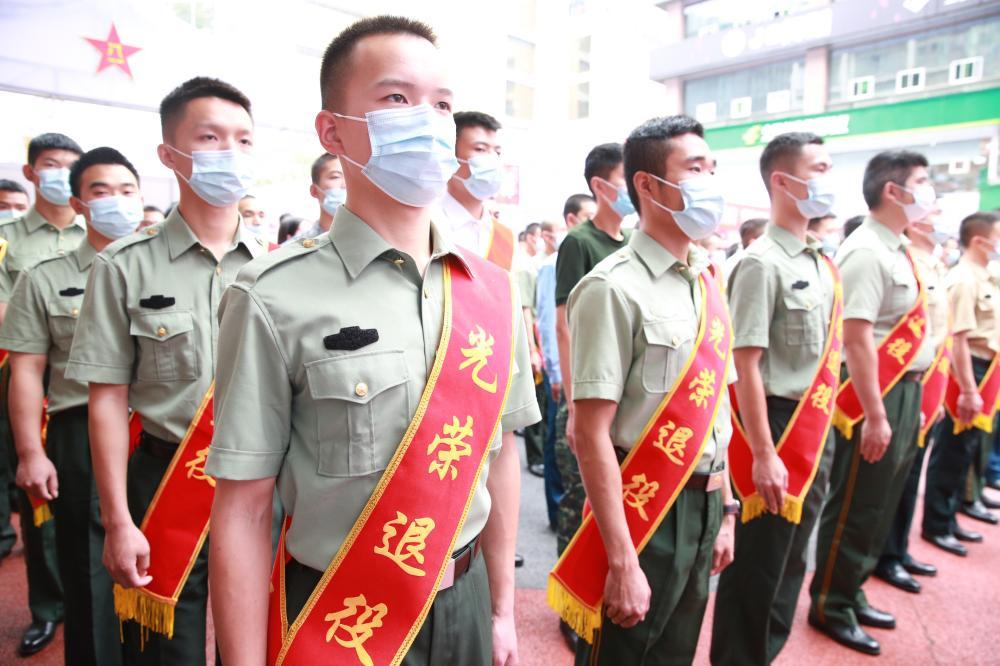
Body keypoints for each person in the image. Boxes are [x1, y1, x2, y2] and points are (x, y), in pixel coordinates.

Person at [205, 16, 539, 666]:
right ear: (332, 131)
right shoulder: (271, 294)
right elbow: (244, 510)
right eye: (397, 99)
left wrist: (502, 613)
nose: (428, 120)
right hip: (341, 616)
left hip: (465, 604)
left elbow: (501, 459)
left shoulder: (492, 289)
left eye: (441, 105)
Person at [65, 77, 263, 665]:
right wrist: (118, 520)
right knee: (161, 650)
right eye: (210, 137)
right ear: (170, 154)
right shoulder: (123, 266)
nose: (230, 153)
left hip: (261, 488)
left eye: (244, 140)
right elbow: (106, 398)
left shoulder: (281, 269)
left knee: (255, 642)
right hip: (164, 476)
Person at [549, 114, 735, 665]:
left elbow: (716, 409)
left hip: (702, 505)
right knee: (625, 653)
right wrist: (623, 559)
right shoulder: (611, 289)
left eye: (711, 167)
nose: (709, 181)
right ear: (649, 185)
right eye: (694, 168)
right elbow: (589, 434)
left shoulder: (706, 279)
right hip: (642, 509)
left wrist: (725, 511)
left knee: (674, 655)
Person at [1, 146, 145, 666]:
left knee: (168, 571)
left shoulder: (168, 270)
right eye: (100, 191)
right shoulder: (43, 277)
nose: (116, 202)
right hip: (79, 433)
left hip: (162, 436)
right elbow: (26, 371)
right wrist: (29, 453)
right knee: (89, 572)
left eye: (127, 191)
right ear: (79, 203)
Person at [712, 132, 839, 666]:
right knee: (759, 567)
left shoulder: (817, 260)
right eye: (819, 168)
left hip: (815, 422)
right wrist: (763, 454)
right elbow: (745, 367)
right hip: (777, 428)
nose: (829, 180)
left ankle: (765, 654)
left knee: (790, 563)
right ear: (783, 181)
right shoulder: (762, 261)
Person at [808, 150, 937, 656]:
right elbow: (857, 337)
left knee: (882, 501)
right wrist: (877, 414)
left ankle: (852, 589)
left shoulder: (899, 247)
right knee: (857, 504)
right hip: (872, 396)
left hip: (904, 387)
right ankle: (830, 604)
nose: (930, 191)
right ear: (893, 190)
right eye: (922, 182)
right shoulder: (866, 250)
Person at [0, 132, 85, 657]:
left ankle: (94, 600)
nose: (59, 174)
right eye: (50, 165)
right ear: (32, 173)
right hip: (23, 381)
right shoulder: (8, 239)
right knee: (40, 506)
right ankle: (48, 607)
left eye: (68, 167)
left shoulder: (98, 234)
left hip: (86, 392)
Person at [553, 144, 631, 649]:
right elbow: (564, 325)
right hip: (588, 390)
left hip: (623, 394)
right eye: (628, 177)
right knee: (578, 504)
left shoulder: (634, 242)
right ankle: (569, 604)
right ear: (602, 186)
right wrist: (575, 402)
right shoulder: (580, 243)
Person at [873, 209, 950, 592]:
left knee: (909, 472)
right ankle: (886, 555)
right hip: (895, 382)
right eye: (934, 211)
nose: (941, 217)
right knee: (891, 481)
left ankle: (898, 548)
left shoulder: (930, 265)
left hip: (925, 378)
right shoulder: (902, 261)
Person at [922, 211, 1000, 556]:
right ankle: (937, 523)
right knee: (952, 450)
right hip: (969, 371)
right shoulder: (965, 280)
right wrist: (968, 387)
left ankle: (951, 516)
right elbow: (958, 339)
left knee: (968, 448)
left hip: (985, 368)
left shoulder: (985, 277)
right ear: (981, 240)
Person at [438, 110, 514, 269]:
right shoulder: (426, 225)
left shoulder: (505, 236)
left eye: (497, 152)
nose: (492, 158)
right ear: (448, 156)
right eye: (480, 149)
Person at [288, 153, 346, 243]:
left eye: (352, 177)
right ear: (314, 191)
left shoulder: (372, 241)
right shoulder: (297, 248)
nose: (346, 184)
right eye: (335, 177)